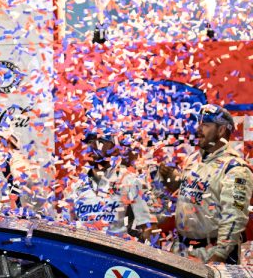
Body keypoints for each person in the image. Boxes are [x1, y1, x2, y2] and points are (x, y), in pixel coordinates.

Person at [159, 104, 253, 263]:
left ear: (222, 130)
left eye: (206, 125)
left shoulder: (236, 169)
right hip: (181, 250)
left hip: (211, 254)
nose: (199, 129)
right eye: (199, 124)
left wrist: (219, 256)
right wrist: (172, 181)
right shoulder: (193, 159)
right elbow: (194, 194)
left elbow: (235, 218)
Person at [69, 131, 154, 239]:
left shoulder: (130, 181)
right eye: (89, 141)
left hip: (115, 252)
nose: (92, 146)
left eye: (99, 141)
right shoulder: (76, 186)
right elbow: (70, 228)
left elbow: (148, 227)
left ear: (115, 149)